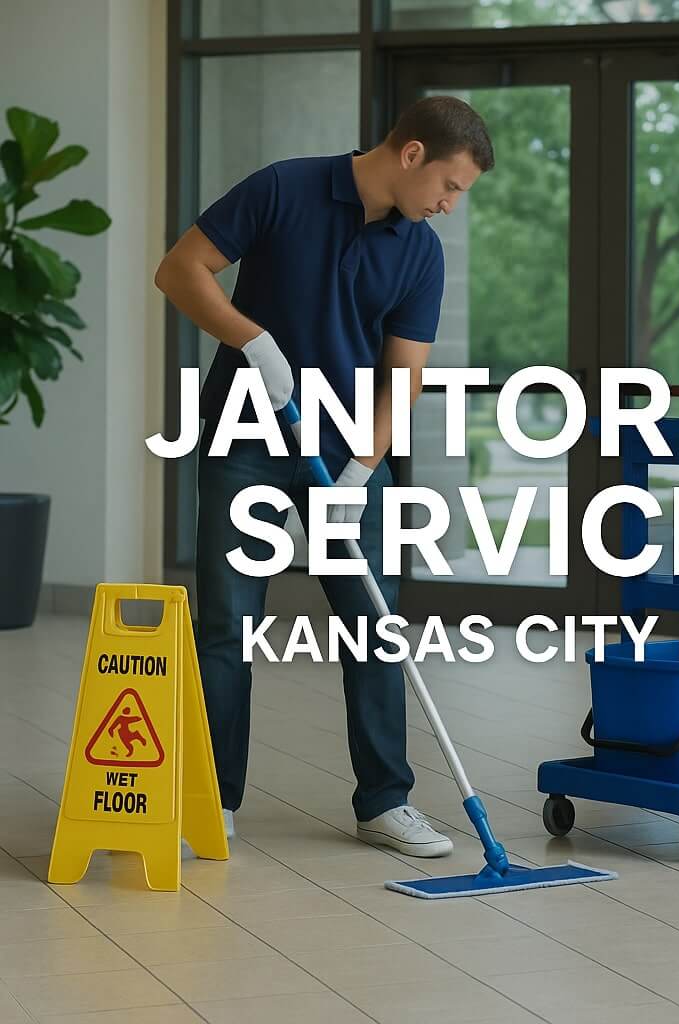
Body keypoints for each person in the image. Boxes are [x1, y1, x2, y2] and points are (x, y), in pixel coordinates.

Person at [155, 96, 494, 857]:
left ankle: (384, 802)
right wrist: (252, 341)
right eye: (450, 185)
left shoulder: (419, 252)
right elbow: (179, 271)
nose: (448, 204)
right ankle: (212, 803)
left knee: (373, 622)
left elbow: (403, 377)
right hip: (245, 433)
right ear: (410, 154)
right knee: (228, 624)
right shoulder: (283, 189)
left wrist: (357, 475)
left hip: (343, 452)